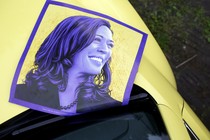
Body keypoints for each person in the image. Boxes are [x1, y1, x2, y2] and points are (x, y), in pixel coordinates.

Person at [15, 15, 121, 113]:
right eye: (97, 40)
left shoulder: (111, 108)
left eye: (110, 45)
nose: (105, 50)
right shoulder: (19, 94)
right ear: (69, 42)